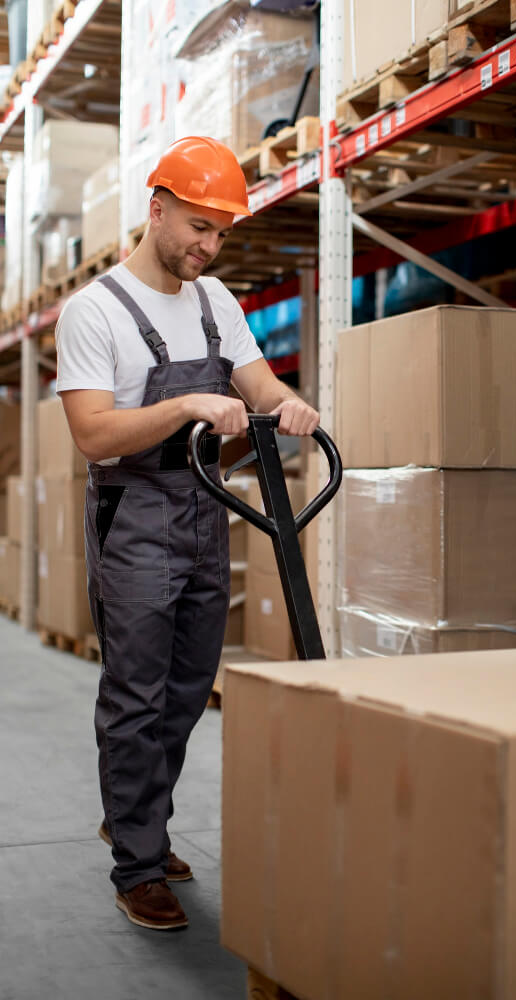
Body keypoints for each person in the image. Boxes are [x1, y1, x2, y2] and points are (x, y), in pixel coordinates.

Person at [56, 136, 319, 931]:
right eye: (198, 227)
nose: (208, 246)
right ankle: (137, 863)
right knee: (135, 693)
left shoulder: (218, 302)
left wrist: (291, 404)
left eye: (221, 234)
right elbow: (94, 436)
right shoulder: (93, 311)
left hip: (207, 509)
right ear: (157, 208)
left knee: (182, 691)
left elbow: (258, 383)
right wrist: (184, 406)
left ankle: (137, 819)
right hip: (134, 515)